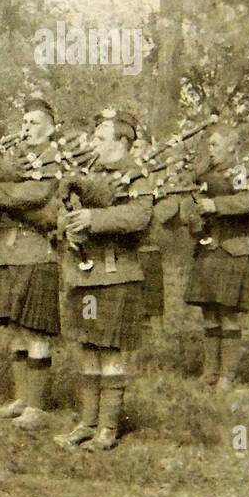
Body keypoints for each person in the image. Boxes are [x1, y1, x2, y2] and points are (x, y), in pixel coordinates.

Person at [54, 109, 152, 452]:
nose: (93, 144)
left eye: (100, 138)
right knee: (88, 349)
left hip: (116, 277)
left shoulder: (136, 178)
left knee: (110, 352)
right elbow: (62, 216)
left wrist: (92, 218)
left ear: (123, 143)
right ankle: (87, 422)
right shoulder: (87, 176)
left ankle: (108, 428)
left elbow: (138, 217)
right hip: (85, 277)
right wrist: (69, 231)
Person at [0, 93, 63, 429]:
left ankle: (37, 407)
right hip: (9, 252)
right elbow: (7, 197)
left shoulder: (54, 158)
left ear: (51, 130)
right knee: (17, 331)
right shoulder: (17, 159)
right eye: (24, 123)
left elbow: (35, 195)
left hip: (38, 253)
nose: (26, 128)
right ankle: (22, 398)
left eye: (34, 123)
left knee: (36, 330)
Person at [181, 123, 249, 390]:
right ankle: (210, 372)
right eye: (209, 145)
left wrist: (216, 205)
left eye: (215, 145)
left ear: (231, 146)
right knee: (209, 313)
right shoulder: (205, 174)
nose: (210, 150)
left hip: (234, 249)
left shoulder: (241, 173)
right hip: (208, 249)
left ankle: (227, 376)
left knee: (228, 315)